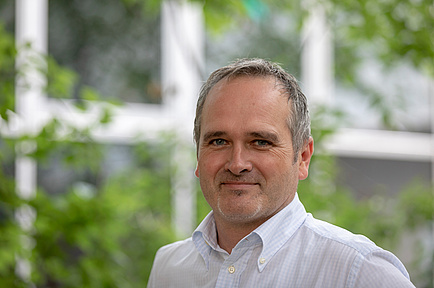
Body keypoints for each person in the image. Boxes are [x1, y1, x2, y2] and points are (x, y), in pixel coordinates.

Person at [147, 58, 415, 287]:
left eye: (261, 142)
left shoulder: (359, 271)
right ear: (198, 155)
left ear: (303, 157)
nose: (237, 163)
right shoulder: (169, 268)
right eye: (218, 141)